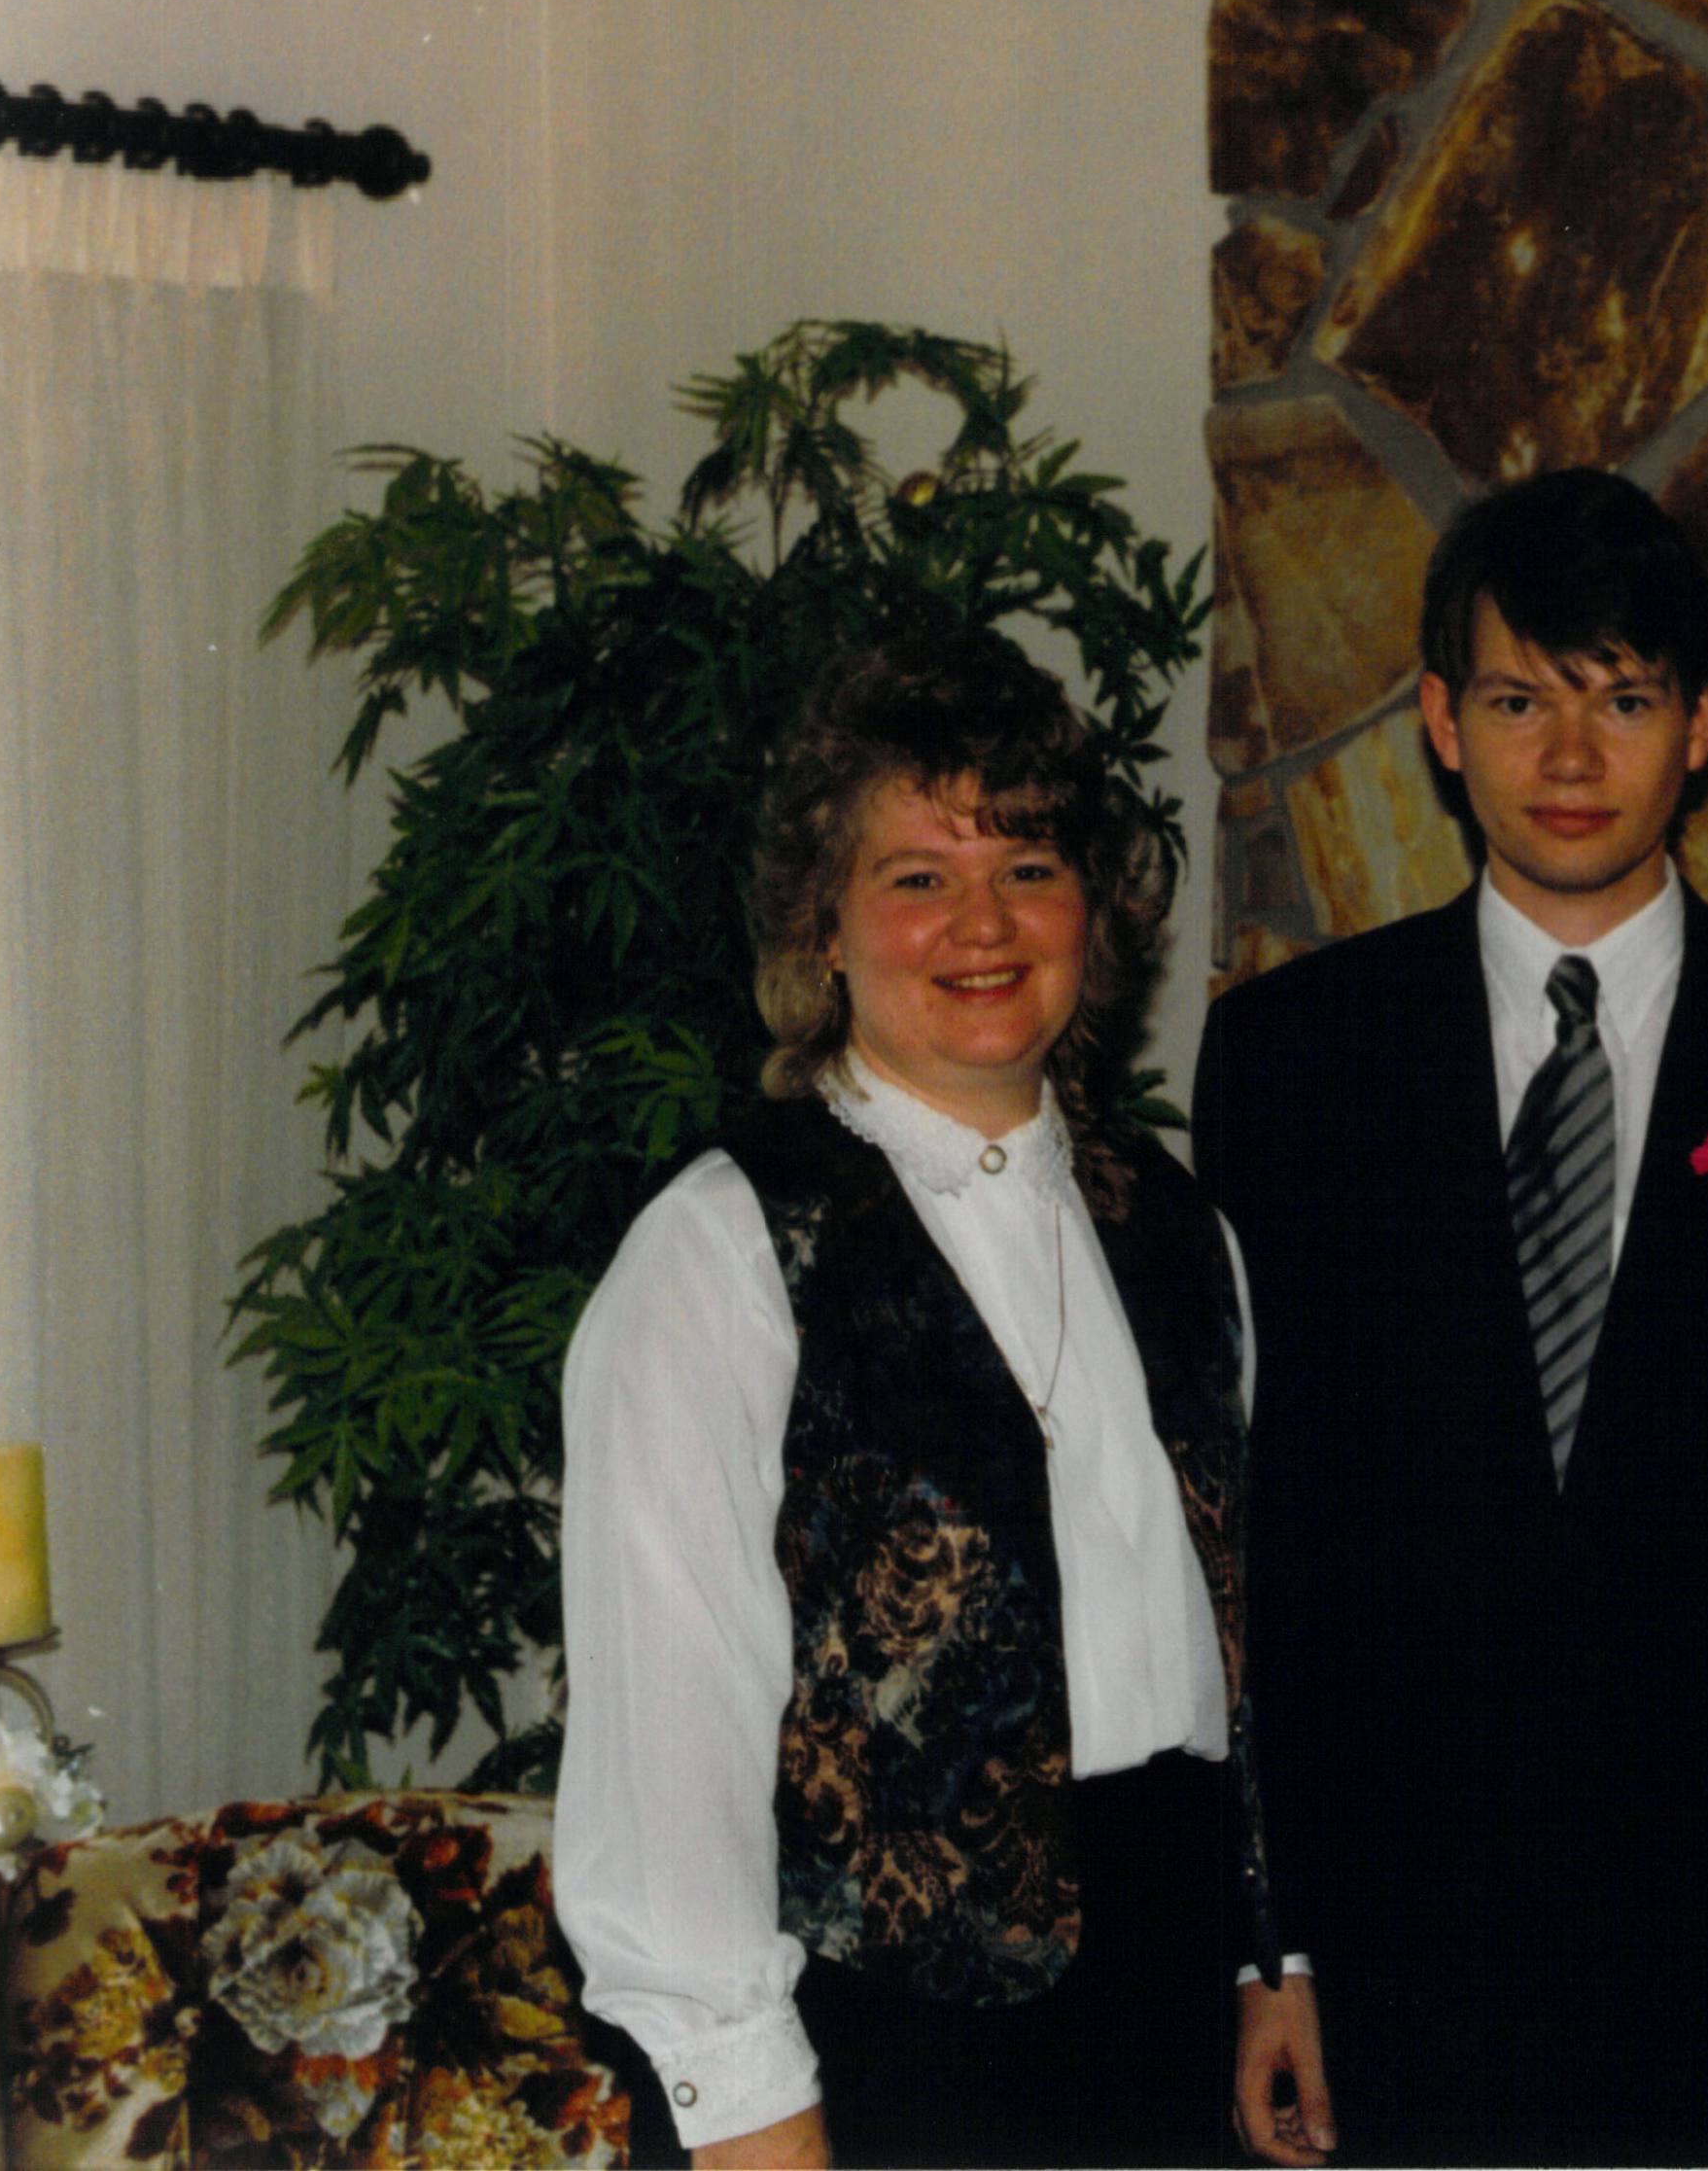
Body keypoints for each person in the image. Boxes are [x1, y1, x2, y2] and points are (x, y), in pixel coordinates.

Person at [1192, 468, 1708, 2165]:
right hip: (1389, 1956)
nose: (1566, 756)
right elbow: (1257, 1538)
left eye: (1619, 701)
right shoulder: (1291, 1058)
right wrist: (1272, 1947)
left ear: (1701, 725)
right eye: (1516, 700)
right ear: (1437, 722)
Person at [555, 630, 1323, 2169]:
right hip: (879, 2041)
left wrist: (1269, 1957)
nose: (982, 923)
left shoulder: (1182, 1230)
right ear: (823, 930)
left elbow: (1239, 1643)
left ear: (1091, 912)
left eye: (1027, 867)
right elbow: (670, 1734)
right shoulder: (721, 1250)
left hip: (1165, 1999)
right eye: (917, 877)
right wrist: (749, 2112)